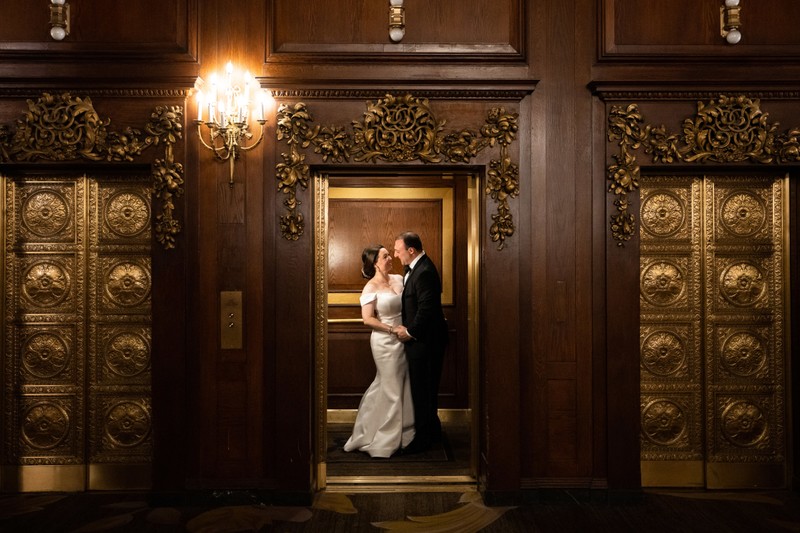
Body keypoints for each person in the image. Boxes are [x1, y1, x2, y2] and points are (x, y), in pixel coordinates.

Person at [343, 244, 415, 458]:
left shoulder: (399, 279)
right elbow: (368, 319)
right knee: (390, 385)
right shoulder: (370, 288)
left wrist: (408, 330)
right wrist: (393, 329)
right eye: (385, 256)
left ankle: (405, 432)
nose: (390, 258)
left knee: (401, 384)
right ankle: (384, 437)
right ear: (375, 262)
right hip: (385, 341)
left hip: (405, 338)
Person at [393, 232, 448, 454]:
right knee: (425, 388)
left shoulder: (424, 271)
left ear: (411, 250)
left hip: (426, 342)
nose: (397, 255)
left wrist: (410, 332)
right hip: (424, 341)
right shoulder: (417, 268)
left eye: (398, 251)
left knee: (423, 390)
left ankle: (423, 439)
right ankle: (433, 431)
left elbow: (427, 308)